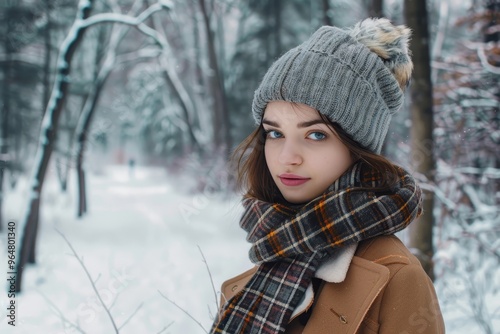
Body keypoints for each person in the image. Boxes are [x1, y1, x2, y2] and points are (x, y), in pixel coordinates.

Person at [211, 18, 445, 334]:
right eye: (275, 133)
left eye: (316, 135)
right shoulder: (276, 250)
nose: (286, 157)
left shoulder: (396, 277)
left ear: (356, 148)